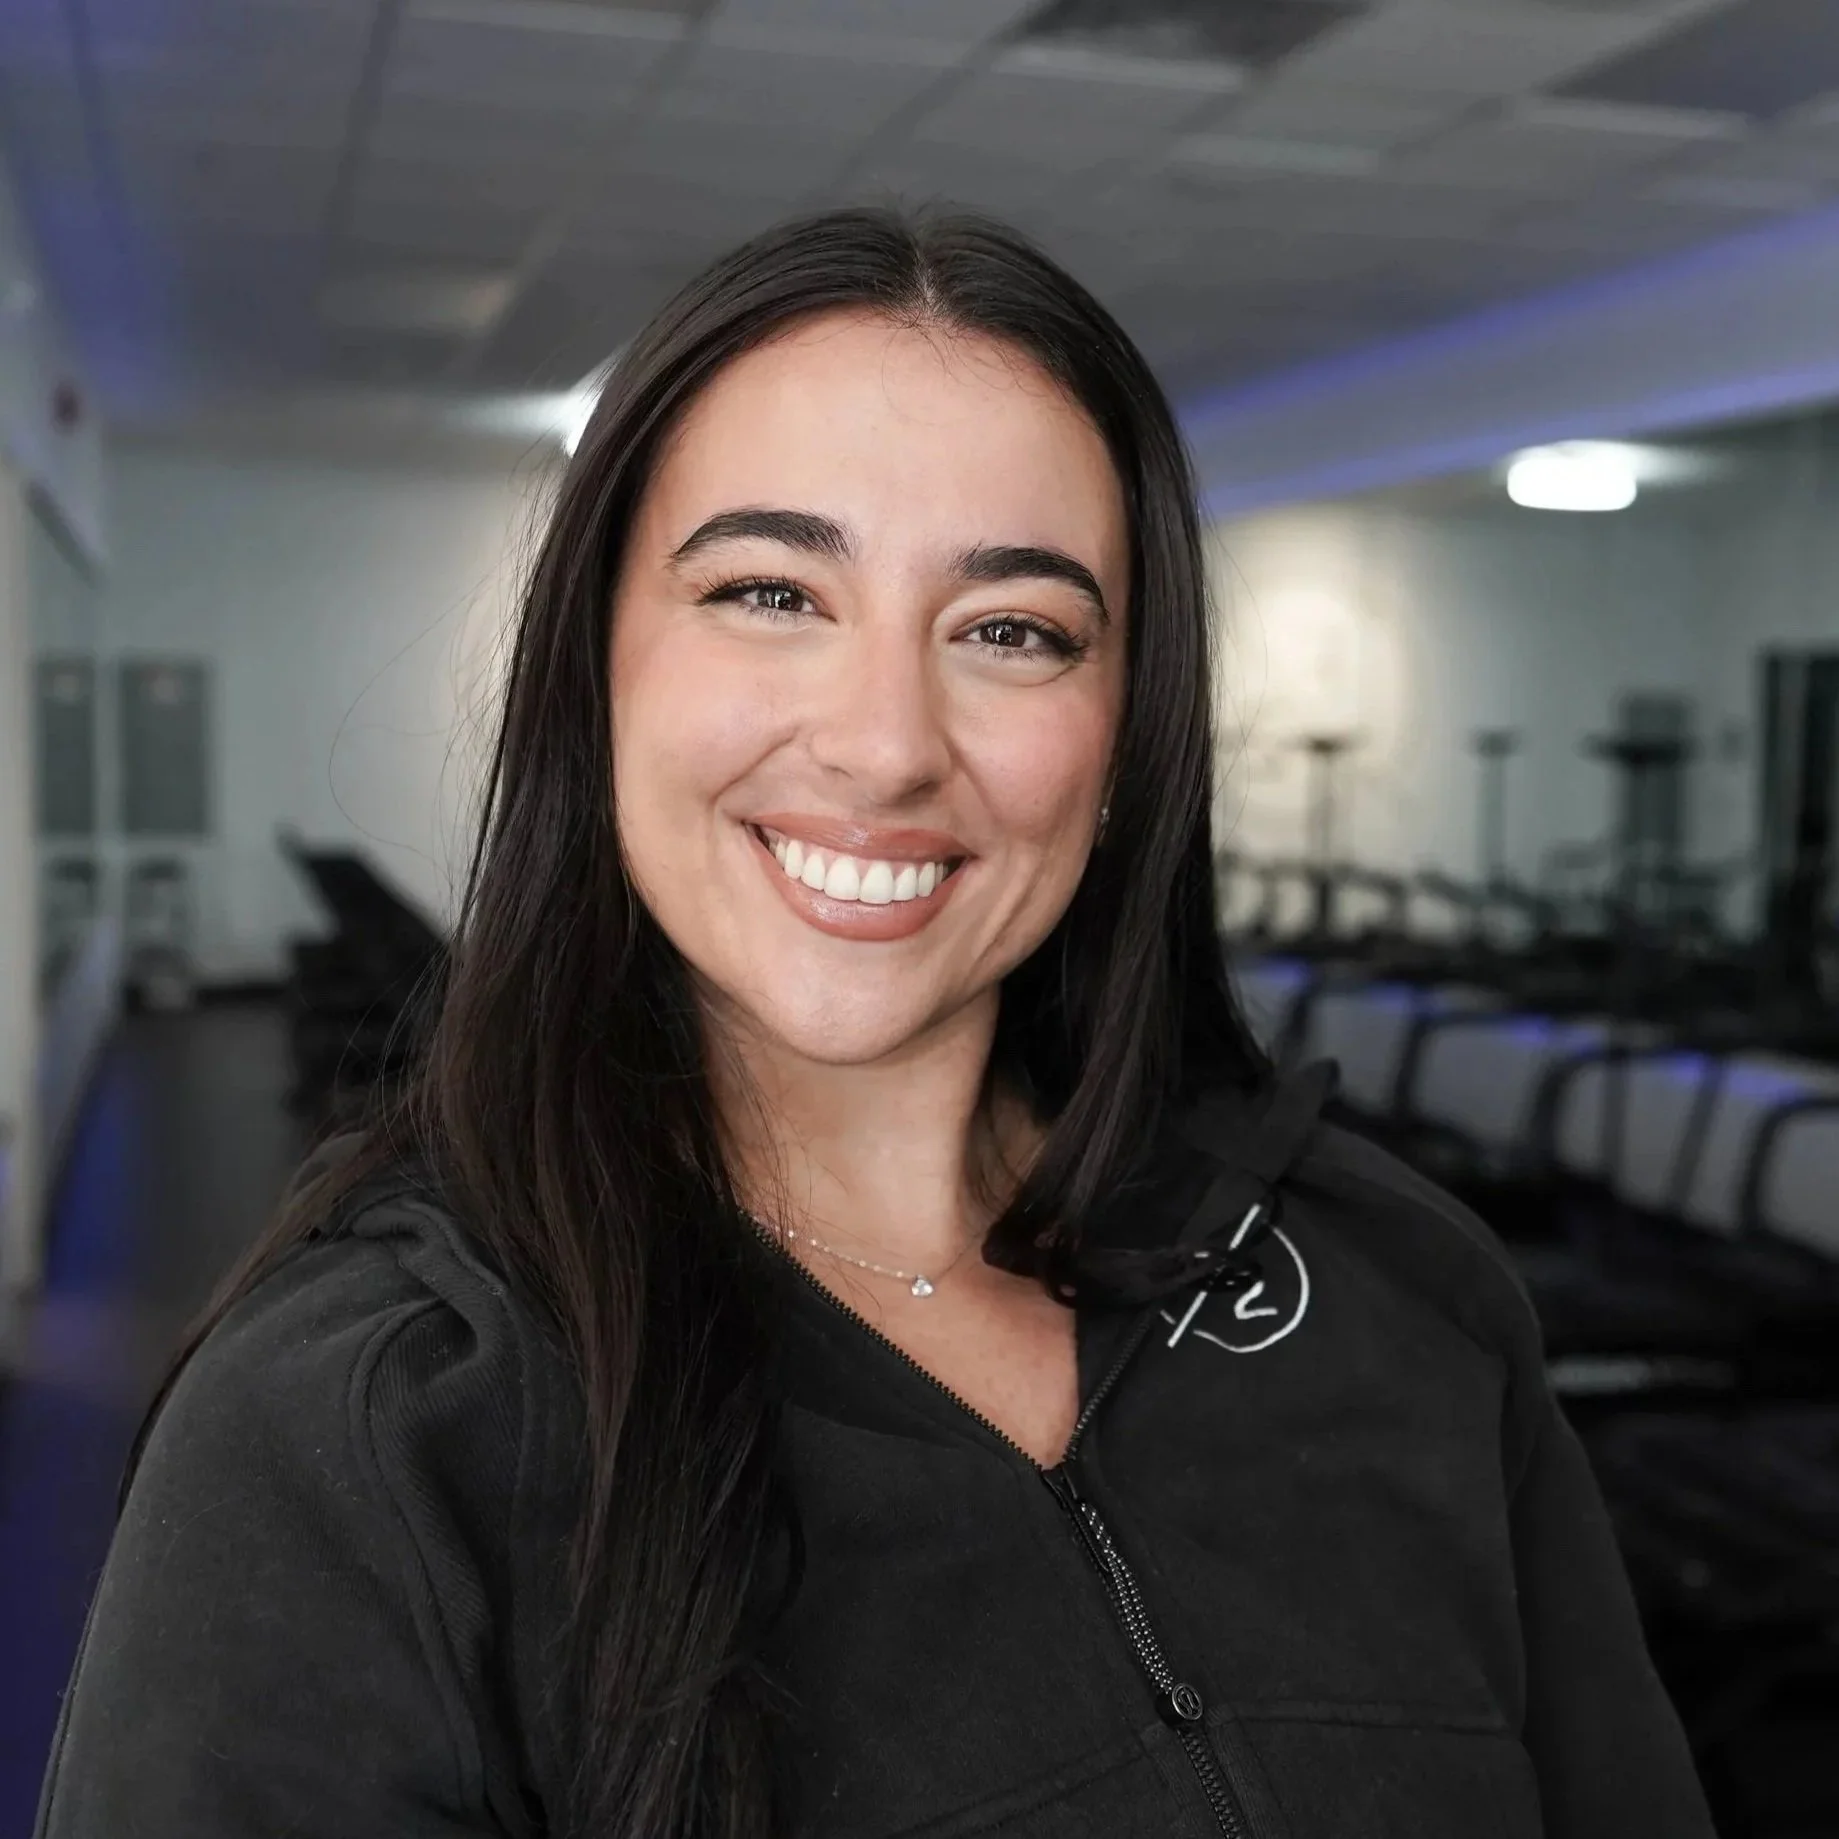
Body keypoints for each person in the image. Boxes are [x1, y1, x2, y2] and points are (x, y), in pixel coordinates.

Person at [36, 208, 1713, 1839]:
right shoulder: (367, 1430)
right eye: (770, 592)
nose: (885, 742)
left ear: (1128, 740)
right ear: (593, 669)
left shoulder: (1395, 1286)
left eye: (1011, 631)